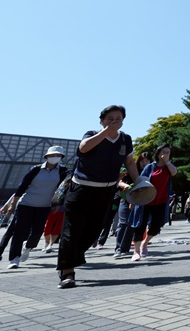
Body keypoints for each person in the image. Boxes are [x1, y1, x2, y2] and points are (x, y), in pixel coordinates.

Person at [57, 105, 139, 289]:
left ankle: (70, 257)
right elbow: (83, 148)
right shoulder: (92, 134)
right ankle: (67, 271)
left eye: (118, 118)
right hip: (81, 189)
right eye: (110, 118)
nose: (115, 121)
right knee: (72, 230)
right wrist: (106, 131)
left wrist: (139, 181)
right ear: (102, 120)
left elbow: (130, 162)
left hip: (106, 191)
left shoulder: (125, 139)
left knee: (94, 231)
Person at [1, 146, 68, 269]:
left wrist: (58, 203)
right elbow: (22, 187)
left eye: (58, 155)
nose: (55, 158)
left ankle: (28, 246)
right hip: (26, 204)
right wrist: (12, 205)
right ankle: (14, 259)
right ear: (47, 156)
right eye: (53, 155)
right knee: (19, 232)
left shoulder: (63, 171)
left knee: (37, 232)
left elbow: (61, 189)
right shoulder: (36, 169)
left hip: (44, 206)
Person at [131, 144, 178, 261]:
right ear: (158, 153)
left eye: (168, 152)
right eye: (164, 152)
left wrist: (167, 162)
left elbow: (174, 172)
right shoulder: (150, 167)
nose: (166, 154)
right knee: (140, 225)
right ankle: (136, 252)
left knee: (157, 225)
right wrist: (134, 199)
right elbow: (140, 182)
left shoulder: (169, 167)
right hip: (145, 201)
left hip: (160, 201)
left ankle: (145, 243)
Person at [113, 157, 150, 259]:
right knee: (123, 222)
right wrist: (126, 186)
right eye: (142, 160)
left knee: (132, 224)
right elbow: (119, 181)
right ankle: (119, 248)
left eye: (147, 160)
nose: (145, 163)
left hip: (139, 201)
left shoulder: (150, 172)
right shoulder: (132, 170)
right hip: (125, 198)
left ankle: (125, 248)